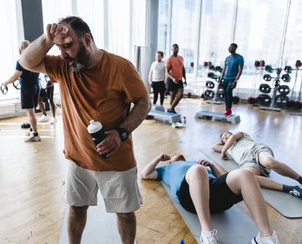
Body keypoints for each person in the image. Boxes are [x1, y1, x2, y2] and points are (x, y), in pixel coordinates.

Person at [19, 16, 151, 244]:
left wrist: (121, 133)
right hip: (77, 159)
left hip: (116, 160)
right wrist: (47, 38)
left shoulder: (120, 68)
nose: (62, 54)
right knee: (76, 210)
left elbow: (143, 102)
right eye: (59, 47)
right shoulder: (63, 66)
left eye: (68, 46)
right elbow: (26, 62)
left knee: (125, 213)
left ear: (87, 39)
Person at [141, 153, 280, 244]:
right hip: (189, 197)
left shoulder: (195, 162)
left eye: (181, 157)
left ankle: (266, 237)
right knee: (198, 170)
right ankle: (207, 234)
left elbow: (222, 180)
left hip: (214, 194)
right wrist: (159, 159)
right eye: (176, 157)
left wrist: (212, 166)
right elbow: (145, 174)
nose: (179, 157)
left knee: (245, 174)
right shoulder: (166, 168)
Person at [213, 131, 302, 198]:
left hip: (256, 150)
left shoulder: (242, 135)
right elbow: (214, 147)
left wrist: (224, 150)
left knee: (269, 162)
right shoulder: (228, 149)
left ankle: (300, 179)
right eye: (224, 138)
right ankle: (290, 189)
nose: (226, 137)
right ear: (223, 143)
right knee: (247, 178)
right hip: (246, 162)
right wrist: (225, 147)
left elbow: (232, 137)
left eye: (226, 134)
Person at [2, 40, 41, 142]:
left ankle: (35, 135)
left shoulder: (21, 60)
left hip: (28, 89)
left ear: (21, 49)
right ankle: (32, 130)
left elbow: (15, 77)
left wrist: (5, 83)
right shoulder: (36, 58)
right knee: (32, 111)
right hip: (36, 87)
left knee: (30, 112)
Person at [218, 43, 244, 116]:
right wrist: (220, 80)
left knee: (228, 91)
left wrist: (236, 81)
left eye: (232, 47)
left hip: (232, 79)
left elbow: (240, 70)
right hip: (225, 79)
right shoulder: (227, 58)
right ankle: (227, 109)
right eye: (229, 47)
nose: (230, 48)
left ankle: (229, 109)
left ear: (235, 48)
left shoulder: (240, 58)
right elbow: (224, 70)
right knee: (225, 93)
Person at [165, 44, 186, 114]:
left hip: (179, 79)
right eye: (174, 48)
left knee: (180, 95)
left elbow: (183, 69)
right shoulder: (169, 59)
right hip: (171, 80)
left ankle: (171, 108)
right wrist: (173, 79)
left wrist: (185, 79)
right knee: (172, 97)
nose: (176, 49)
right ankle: (172, 110)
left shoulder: (181, 58)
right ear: (172, 49)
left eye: (177, 48)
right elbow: (167, 72)